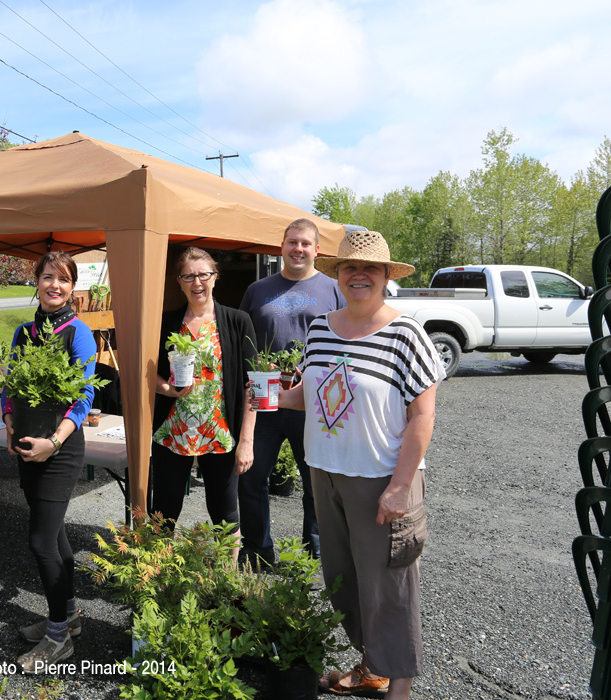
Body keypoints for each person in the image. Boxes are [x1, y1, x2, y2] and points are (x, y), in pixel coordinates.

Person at [280, 230, 443, 700]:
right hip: (325, 472)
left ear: (387, 276)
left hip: (381, 480)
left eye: (370, 268)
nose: (359, 275)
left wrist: (399, 486)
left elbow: (423, 415)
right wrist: (273, 398)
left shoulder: (405, 333)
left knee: (389, 588)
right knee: (344, 581)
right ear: (338, 275)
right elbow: (314, 396)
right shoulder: (319, 328)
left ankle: (401, 688)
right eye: (350, 267)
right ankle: (373, 667)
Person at [1, 250, 97, 673]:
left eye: (63, 280)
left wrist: (53, 443)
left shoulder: (79, 333)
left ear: (72, 287)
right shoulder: (24, 332)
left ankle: (58, 639)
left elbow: (83, 397)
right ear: (36, 282)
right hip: (25, 442)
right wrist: (8, 421)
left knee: (41, 542)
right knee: (55, 535)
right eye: (47, 278)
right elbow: (10, 385)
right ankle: (70, 615)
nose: (54, 286)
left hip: (59, 450)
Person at [238, 218, 344, 566]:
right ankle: (257, 550)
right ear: (281, 246)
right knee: (252, 478)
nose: (298, 249)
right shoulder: (258, 289)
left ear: (317, 249)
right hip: (265, 396)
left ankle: (312, 555)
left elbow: (345, 339)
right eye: (292, 242)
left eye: (305, 244)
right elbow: (243, 340)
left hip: (313, 399)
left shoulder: (333, 289)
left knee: (316, 482)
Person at [152, 247, 257, 558]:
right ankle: (157, 581)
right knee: (164, 512)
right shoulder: (166, 322)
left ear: (215, 277)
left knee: (225, 515)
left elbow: (253, 386)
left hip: (220, 431)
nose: (196, 282)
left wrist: (247, 441)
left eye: (203, 275)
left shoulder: (238, 322)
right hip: (173, 431)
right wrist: (169, 389)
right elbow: (148, 374)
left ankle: (229, 587)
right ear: (179, 281)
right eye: (188, 276)